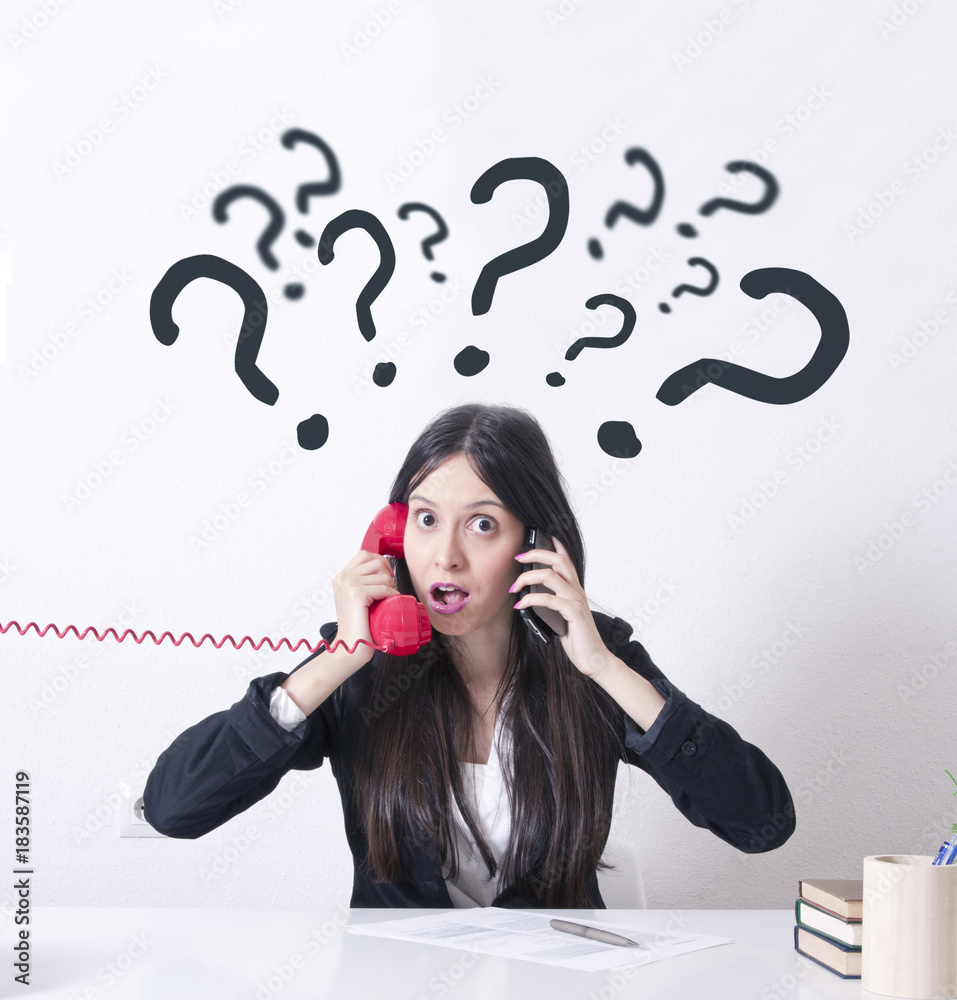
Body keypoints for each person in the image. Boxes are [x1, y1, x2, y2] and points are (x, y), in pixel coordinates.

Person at [144, 403, 795, 908]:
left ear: (534, 542)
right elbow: (174, 809)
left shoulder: (594, 658)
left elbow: (762, 822)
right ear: (395, 533)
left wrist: (601, 668)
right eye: (426, 520)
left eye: (481, 524)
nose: (445, 556)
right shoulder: (359, 669)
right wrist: (337, 659)